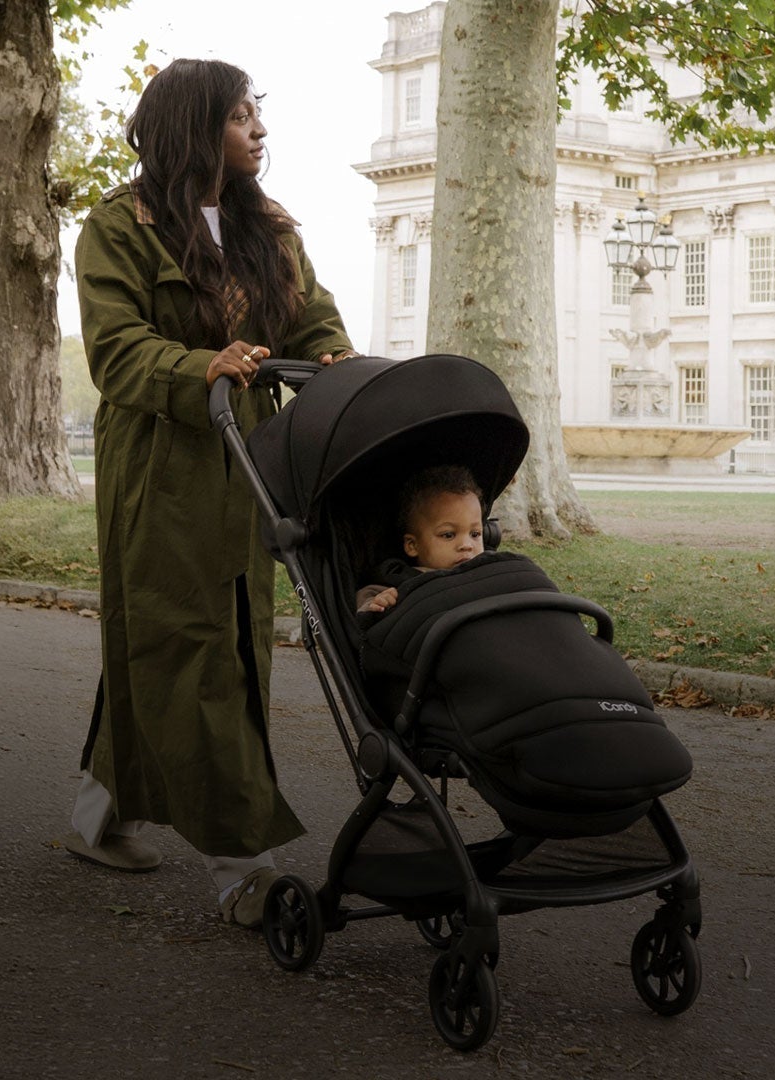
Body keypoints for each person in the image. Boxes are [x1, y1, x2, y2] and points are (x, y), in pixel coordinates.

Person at [65, 58, 355, 928]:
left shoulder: (266, 227)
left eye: (257, 113)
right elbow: (116, 352)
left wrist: (334, 357)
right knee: (191, 643)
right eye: (238, 115)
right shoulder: (117, 230)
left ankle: (96, 813)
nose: (258, 129)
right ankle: (245, 868)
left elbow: (313, 316)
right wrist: (206, 365)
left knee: (185, 640)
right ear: (193, 127)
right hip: (161, 462)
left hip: (252, 461)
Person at [356, 465, 486, 614]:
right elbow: (362, 616)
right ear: (413, 546)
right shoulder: (396, 585)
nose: (466, 545)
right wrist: (377, 604)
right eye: (448, 535)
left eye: (475, 534)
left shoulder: (490, 572)